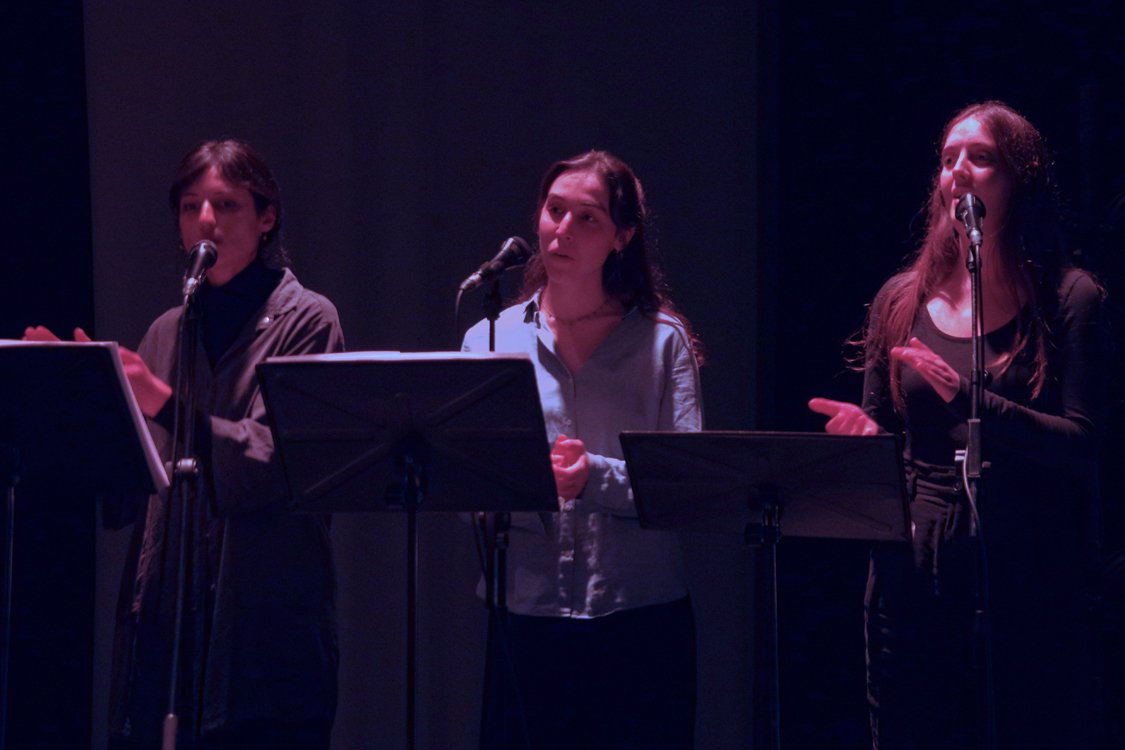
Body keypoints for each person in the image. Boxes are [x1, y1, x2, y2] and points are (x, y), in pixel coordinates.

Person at [809, 102, 1109, 749]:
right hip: (915, 567)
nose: (958, 173)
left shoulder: (1068, 297)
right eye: (947, 160)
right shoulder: (901, 300)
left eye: (979, 159)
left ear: (1018, 180)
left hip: (1028, 564)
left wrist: (973, 400)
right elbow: (889, 438)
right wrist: (866, 438)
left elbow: (1084, 446)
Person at [29, 139, 343, 749]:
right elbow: (128, 489)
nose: (205, 221)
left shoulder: (308, 318)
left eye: (225, 205)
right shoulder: (167, 331)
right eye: (191, 205)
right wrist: (79, 405)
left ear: (266, 216)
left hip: (259, 617)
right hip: (169, 613)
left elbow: (280, 462)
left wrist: (162, 401)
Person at [461, 150, 703, 750]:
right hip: (524, 617)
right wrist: (511, 480)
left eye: (586, 218)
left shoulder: (661, 341)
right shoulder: (489, 338)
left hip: (637, 619)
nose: (561, 229)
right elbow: (462, 487)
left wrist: (591, 477)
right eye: (554, 210)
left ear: (622, 237)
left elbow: (688, 486)